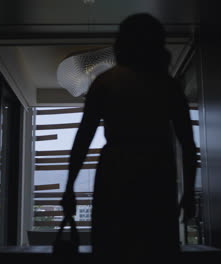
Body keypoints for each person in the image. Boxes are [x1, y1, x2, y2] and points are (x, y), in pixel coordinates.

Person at [61, 13, 198, 262]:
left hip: (115, 168)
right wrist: (188, 192)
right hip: (158, 171)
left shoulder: (105, 82)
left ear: (121, 43)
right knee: (156, 245)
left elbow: (83, 138)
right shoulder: (168, 85)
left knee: (112, 245)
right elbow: (188, 144)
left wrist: (70, 187)